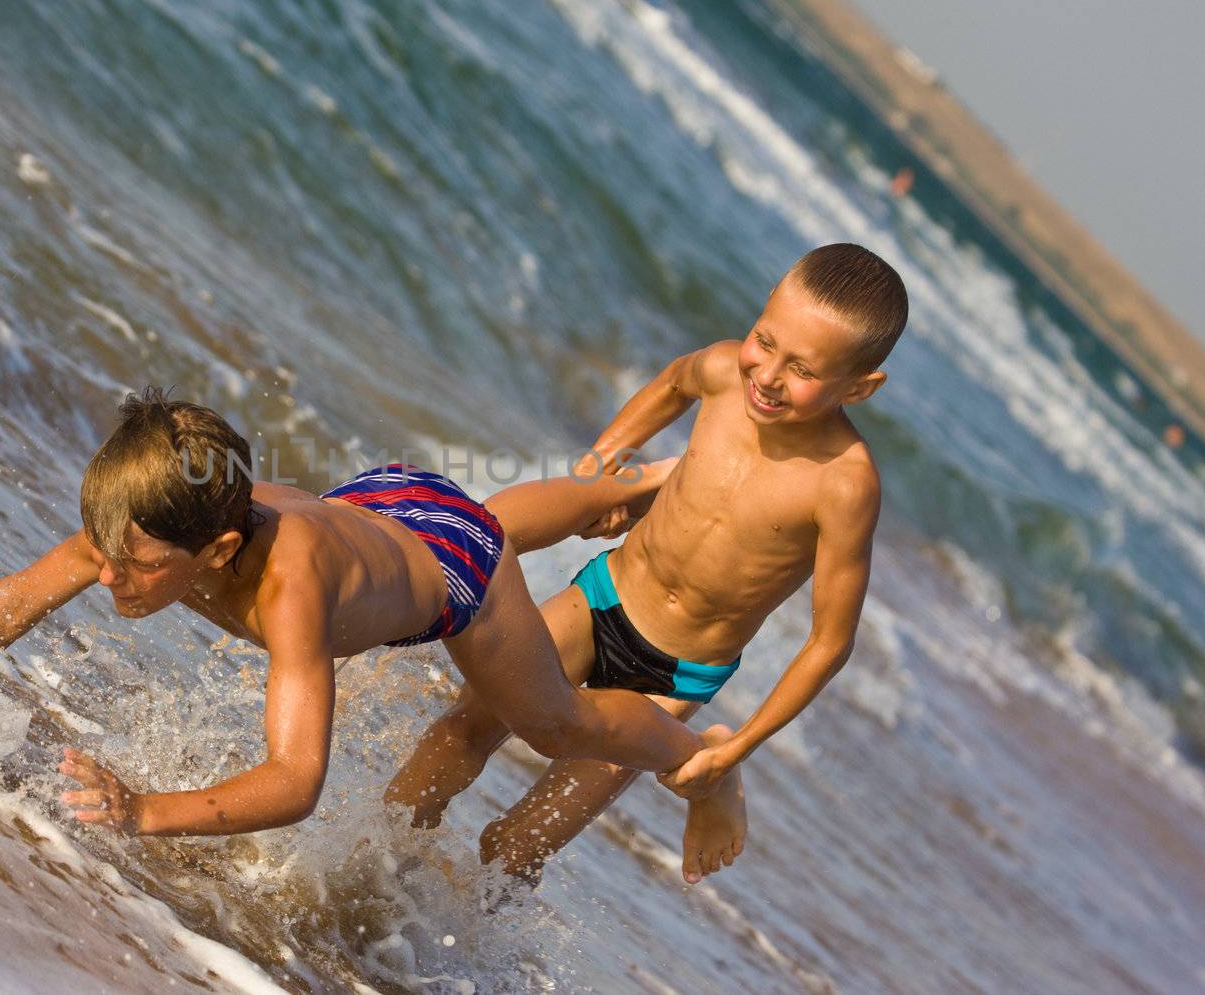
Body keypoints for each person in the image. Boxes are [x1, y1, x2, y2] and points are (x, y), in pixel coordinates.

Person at [0, 390, 715, 837]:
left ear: (218, 550)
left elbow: (296, 779)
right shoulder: (139, 524)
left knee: (558, 724)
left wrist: (144, 810)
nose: (107, 572)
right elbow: (14, 596)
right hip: (385, 503)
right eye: (105, 548)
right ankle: (631, 488)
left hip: (452, 567)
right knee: (473, 511)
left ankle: (699, 752)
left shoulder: (290, 592)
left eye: (136, 566)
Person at [385, 243, 906, 885]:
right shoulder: (723, 371)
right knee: (460, 733)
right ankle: (366, 881)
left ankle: (433, 967)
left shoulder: (844, 485)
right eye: (764, 342)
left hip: (672, 678)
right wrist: (597, 476)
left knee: (520, 847)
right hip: (603, 598)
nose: (767, 375)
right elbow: (670, 385)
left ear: (860, 386)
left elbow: (830, 642)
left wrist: (738, 747)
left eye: (800, 368)